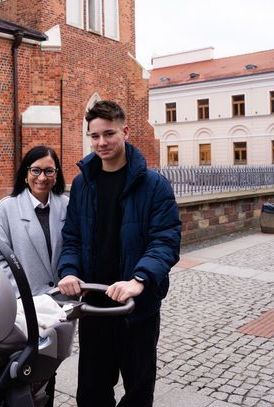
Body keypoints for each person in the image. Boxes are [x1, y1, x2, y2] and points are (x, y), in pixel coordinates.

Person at [57, 100, 181, 407]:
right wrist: (69, 270)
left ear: (125, 132)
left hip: (136, 307)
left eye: (109, 133)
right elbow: (72, 236)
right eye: (95, 136)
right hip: (95, 306)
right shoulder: (83, 184)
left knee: (138, 389)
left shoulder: (154, 185)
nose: (101, 142)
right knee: (92, 390)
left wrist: (139, 280)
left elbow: (165, 240)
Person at [0, 145, 68, 407]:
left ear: (57, 174)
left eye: (49, 171)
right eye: (36, 170)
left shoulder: (66, 205)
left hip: (59, 304)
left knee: (50, 365)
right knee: (22, 367)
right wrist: (21, 294)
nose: (42, 177)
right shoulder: (7, 208)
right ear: (25, 173)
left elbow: (76, 247)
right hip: (23, 306)